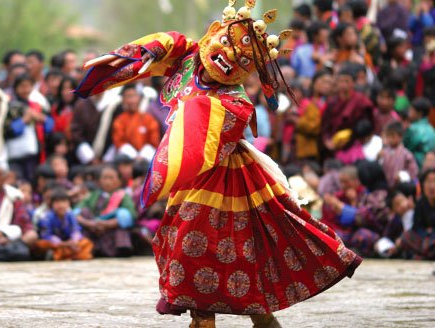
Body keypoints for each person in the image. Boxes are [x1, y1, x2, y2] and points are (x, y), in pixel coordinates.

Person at [76, 2, 362, 326]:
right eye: (226, 43)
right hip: (193, 178)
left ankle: (253, 318)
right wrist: (140, 53)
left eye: (243, 61)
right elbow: (170, 45)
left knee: (233, 250)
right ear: (214, 32)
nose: (228, 59)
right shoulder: (191, 58)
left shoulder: (237, 102)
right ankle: (223, 319)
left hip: (230, 179)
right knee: (192, 249)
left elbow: (201, 128)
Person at [322, 166, 389, 257]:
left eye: (346, 182)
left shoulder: (367, 195)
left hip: (361, 231)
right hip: (343, 231)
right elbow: (330, 218)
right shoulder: (339, 195)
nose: (343, 185)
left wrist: (351, 203)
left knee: (363, 236)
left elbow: (363, 219)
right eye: (341, 182)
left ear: (356, 181)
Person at [75, 165, 137, 258]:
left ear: (119, 181)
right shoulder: (93, 195)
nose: (108, 182)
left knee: (123, 218)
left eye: (111, 178)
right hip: (93, 227)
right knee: (84, 212)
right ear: (99, 181)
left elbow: (130, 215)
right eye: (105, 178)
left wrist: (106, 224)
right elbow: (76, 212)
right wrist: (91, 224)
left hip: (111, 228)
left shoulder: (123, 196)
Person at [4, 74, 54, 181]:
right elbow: (8, 131)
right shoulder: (10, 107)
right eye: (22, 86)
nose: (25, 90)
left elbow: (50, 125)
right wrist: (24, 120)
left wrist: (41, 118)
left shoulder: (37, 106)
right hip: (15, 154)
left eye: (28, 86)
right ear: (16, 88)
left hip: (35, 152)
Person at [32, 188, 94, 261]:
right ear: (52, 204)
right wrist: (63, 243)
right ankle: (64, 255)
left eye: (64, 201)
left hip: (69, 244)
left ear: (68, 203)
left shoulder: (70, 215)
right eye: (57, 202)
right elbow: (46, 235)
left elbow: (76, 230)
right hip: (57, 244)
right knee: (41, 244)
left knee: (86, 242)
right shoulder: (47, 217)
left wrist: (74, 241)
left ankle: (64, 255)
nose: (61, 205)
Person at [111, 84, 161, 161]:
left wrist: (142, 156)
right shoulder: (119, 120)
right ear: (123, 100)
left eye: (133, 96)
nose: (131, 101)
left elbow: (154, 141)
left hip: (146, 158)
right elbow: (118, 142)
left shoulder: (148, 119)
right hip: (127, 159)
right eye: (127, 97)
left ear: (139, 98)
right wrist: (134, 156)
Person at [400, 169, 435, 259]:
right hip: (425, 240)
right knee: (405, 237)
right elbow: (416, 227)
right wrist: (426, 233)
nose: (432, 186)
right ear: (423, 185)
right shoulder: (421, 203)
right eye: (428, 181)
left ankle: (423, 255)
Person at [379, 122, 419, 189]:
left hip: (401, 187)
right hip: (385, 186)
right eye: (388, 136)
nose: (390, 139)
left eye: (392, 136)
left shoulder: (406, 154)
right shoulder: (384, 152)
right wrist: (378, 158)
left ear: (400, 137)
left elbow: (414, 171)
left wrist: (402, 176)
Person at [403, 97, 435, 168]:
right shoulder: (432, 129)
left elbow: (406, 148)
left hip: (417, 165)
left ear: (419, 113)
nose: (409, 112)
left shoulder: (412, 129)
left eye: (411, 110)